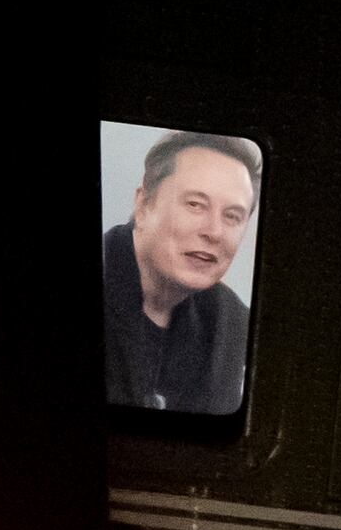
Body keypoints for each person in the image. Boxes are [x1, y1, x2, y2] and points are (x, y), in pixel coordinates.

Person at [104, 131, 259, 413]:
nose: (214, 232)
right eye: (195, 204)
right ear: (142, 204)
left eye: (232, 216)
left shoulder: (234, 325)